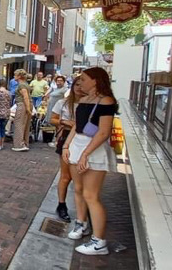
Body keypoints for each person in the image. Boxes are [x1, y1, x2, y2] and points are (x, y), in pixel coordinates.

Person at [62, 67, 118, 256]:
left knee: (91, 195)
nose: (81, 83)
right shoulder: (83, 100)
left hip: (93, 149)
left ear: (95, 81)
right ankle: (81, 223)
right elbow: (77, 126)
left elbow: (103, 132)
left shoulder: (107, 101)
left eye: (84, 79)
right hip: (78, 146)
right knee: (78, 189)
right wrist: (66, 146)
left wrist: (86, 153)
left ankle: (99, 241)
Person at [52, 80, 85, 223]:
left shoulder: (89, 104)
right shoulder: (63, 103)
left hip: (85, 139)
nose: (79, 88)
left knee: (82, 176)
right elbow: (52, 119)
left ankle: (83, 210)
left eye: (82, 85)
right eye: (77, 85)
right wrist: (65, 122)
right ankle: (61, 205)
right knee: (66, 176)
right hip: (66, 137)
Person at [11, 69, 33, 152]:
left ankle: (19, 144)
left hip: (22, 104)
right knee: (26, 124)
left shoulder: (21, 85)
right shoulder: (26, 84)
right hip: (27, 104)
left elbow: (25, 97)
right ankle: (25, 142)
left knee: (19, 124)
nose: (14, 76)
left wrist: (27, 108)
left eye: (15, 75)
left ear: (19, 76)